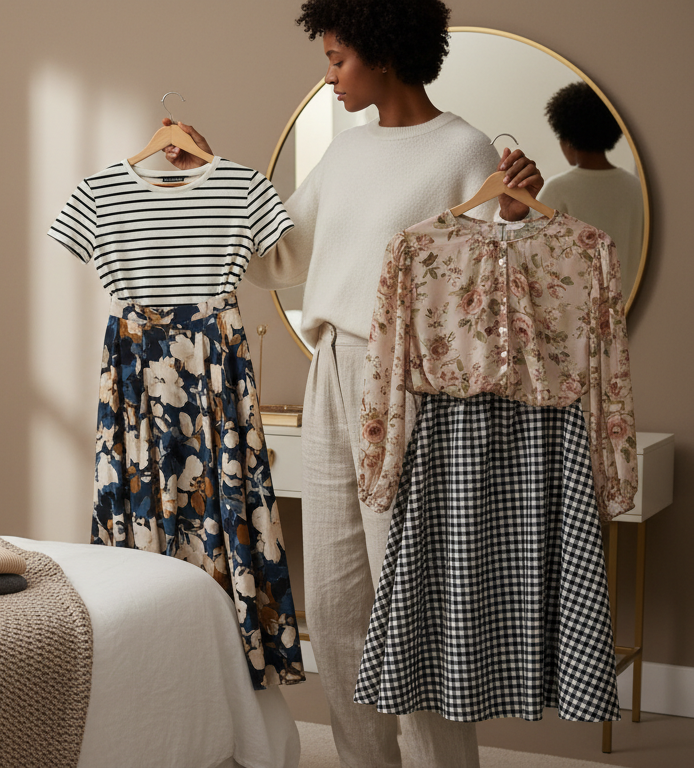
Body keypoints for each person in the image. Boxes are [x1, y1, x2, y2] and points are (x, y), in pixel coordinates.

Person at [161, 1, 543, 766]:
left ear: (386, 52)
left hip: (416, 385)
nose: (329, 74)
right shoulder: (344, 155)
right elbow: (280, 256)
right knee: (337, 606)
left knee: (410, 603)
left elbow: (503, 292)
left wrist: (515, 215)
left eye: (339, 59)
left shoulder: (463, 150)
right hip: (332, 369)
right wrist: (212, 178)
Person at [539, 81, 644, 301]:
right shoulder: (637, 189)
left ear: (566, 139)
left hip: (580, 319)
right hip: (634, 309)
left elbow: (536, 259)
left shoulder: (558, 190)